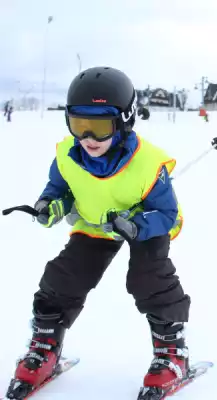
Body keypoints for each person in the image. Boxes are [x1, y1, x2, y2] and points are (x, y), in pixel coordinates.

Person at [5, 66, 192, 399]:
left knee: (148, 279)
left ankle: (172, 353)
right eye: (79, 126)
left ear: (124, 122)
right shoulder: (67, 155)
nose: (88, 139)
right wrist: (50, 205)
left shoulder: (149, 164)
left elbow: (167, 214)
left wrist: (135, 226)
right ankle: (45, 347)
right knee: (62, 278)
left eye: (101, 128)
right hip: (96, 225)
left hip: (144, 226)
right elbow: (59, 188)